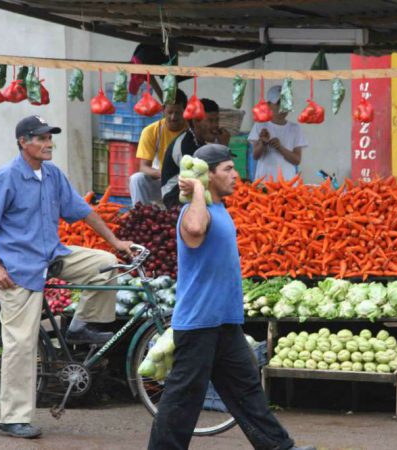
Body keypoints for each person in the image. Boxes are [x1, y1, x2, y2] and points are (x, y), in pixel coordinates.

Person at [0, 115, 134, 439]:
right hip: (18, 269)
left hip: (53, 256)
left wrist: (115, 241)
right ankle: (14, 419)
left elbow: (83, 211)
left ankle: (82, 324)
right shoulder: (6, 178)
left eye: (49, 138)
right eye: (41, 138)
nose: (48, 144)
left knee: (105, 263)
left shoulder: (52, 175)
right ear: (23, 142)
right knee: (21, 343)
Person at [148, 143, 315, 450]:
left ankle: (279, 447)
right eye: (227, 169)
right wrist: (197, 189)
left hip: (223, 322)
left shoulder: (219, 208)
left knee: (246, 391)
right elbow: (195, 229)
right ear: (207, 175)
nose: (236, 175)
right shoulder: (195, 210)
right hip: (198, 323)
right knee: (183, 399)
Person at [160, 98, 230, 208]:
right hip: (175, 197)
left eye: (217, 120)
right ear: (196, 122)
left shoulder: (202, 141)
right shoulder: (184, 144)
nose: (215, 125)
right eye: (210, 121)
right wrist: (223, 148)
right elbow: (207, 175)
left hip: (195, 190)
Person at [129, 89, 188, 207]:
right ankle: (140, 215)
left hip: (186, 184)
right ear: (163, 110)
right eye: (170, 112)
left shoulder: (192, 131)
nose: (173, 117)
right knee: (137, 179)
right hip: (161, 181)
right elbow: (144, 167)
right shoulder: (151, 131)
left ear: (185, 111)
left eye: (178, 112)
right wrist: (164, 174)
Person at [248, 85, 307, 182]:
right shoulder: (260, 125)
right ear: (268, 105)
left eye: (286, 103)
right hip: (264, 183)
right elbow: (255, 156)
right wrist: (263, 143)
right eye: (279, 103)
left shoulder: (295, 129)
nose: (283, 107)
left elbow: (297, 160)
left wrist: (280, 148)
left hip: (288, 185)